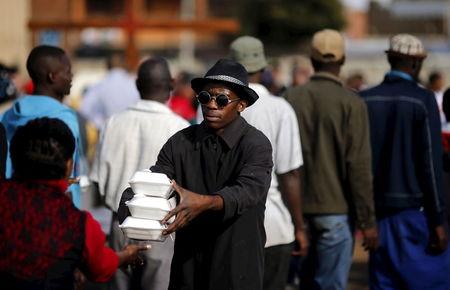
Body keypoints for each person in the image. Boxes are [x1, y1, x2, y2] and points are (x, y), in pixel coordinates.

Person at [119, 59, 273, 290]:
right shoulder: (180, 142)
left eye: (222, 100)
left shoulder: (255, 144)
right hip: (189, 265)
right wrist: (131, 201)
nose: (211, 104)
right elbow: (157, 180)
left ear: (241, 105)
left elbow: (249, 191)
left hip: (236, 265)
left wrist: (204, 202)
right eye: (204, 97)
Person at [0, 117, 149, 289]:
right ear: (69, 165)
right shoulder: (78, 223)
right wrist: (126, 255)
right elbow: (100, 267)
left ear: (14, 158)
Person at [284, 29, 378, 290]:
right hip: (335, 211)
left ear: (312, 60)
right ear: (343, 60)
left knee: (303, 283)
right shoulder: (352, 102)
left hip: (296, 211)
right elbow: (358, 165)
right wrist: (368, 221)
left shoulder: (291, 98)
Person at [90, 57, 189, 290]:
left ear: (137, 85)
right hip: (163, 230)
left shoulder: (113, 123)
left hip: (120, 226)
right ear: (172, 84)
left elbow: (98, 183)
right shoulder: (182, 128)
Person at [360, 34, 450, 289]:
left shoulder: (366, 100)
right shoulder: (423, 100)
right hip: (415, 213)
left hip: (378, 213)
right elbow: (430, 165)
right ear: (415, 63)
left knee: (384, 282)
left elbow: (358, 162)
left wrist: (364, 218)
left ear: (390, 59)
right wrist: (438, 219)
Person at [229, 35, 308, 290]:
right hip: (273, 225)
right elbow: (289, 175)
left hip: (227, 227)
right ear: (263, 68)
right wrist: (299, 226)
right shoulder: (280, 108)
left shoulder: (212, 106)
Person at [1, 45, 84, 208]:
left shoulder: (8, 115)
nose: (71, 76)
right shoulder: (64, 121)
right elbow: (66, 178)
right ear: (52, 76)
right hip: (54, 212)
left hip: (12, 207)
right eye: (67, 71)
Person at [80, 53, 139, 130]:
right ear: (125, 65)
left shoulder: (99, 85)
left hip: (109, 133)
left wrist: (101, 124)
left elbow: (85, 110)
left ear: (107, 66)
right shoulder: (135, 84)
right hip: (134, 131)